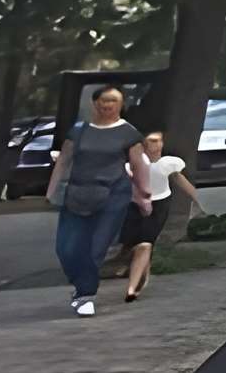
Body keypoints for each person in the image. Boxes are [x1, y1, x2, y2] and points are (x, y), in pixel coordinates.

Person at [47, 84, 154, 318]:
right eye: (104, 101)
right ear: (95, 104)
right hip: (77, 194)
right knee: (66, 248)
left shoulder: (128, 133)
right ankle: (79, 285)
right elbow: (64, 160)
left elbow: (138, 165)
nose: (108, 105)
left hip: (113, 196)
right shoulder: (79, 130)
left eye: (113, 101)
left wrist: (144, 193)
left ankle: (86, 295)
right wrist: (52, 190)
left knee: (95, 247)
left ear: (121, 105)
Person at [118, 126, 194, 304]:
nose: (157, 144)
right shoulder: (131, 164)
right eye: (152, 140)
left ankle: (132, 288)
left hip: (160, 205)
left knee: (146, 243)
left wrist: (198, 199)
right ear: (143, 143)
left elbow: (180, 180)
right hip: (135, 206)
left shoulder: (168, 163)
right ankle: (141, 271)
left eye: (159, 140)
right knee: (135, 244)